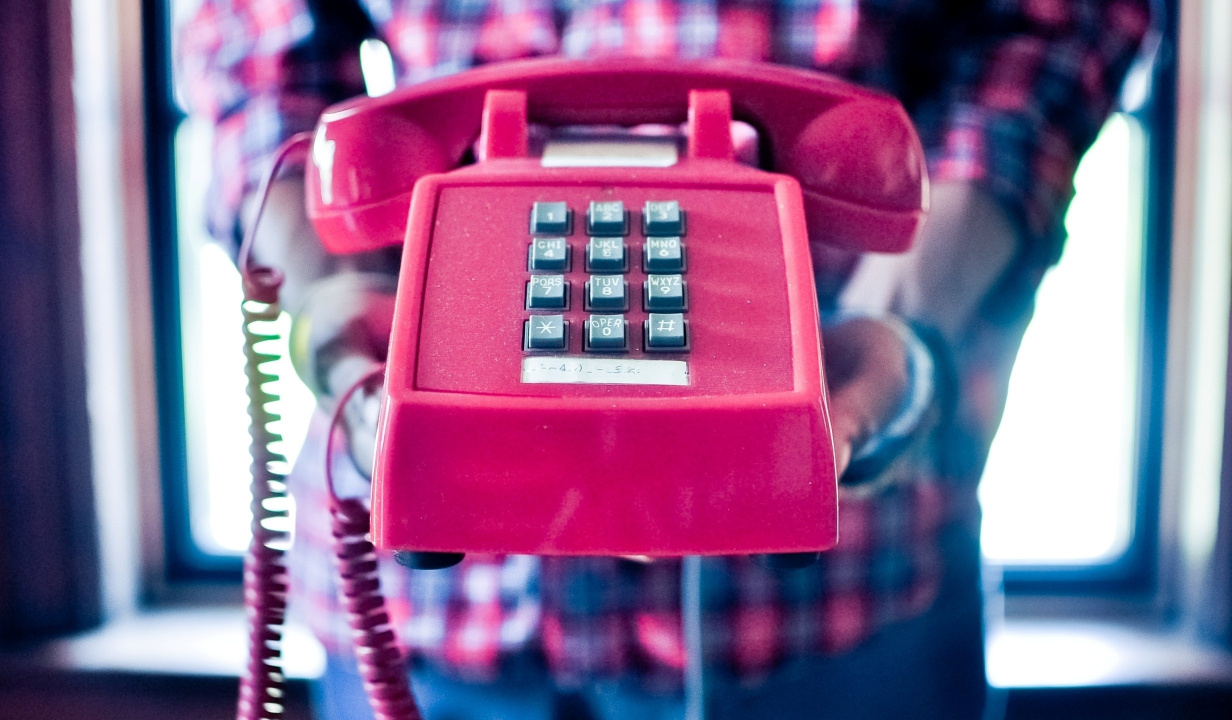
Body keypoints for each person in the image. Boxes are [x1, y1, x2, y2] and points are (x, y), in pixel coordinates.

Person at [178, 2, 1152, 718]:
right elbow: (253, 46)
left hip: (842, 607)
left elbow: (1051, 25)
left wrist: (905, 316)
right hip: (436, 620)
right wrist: (332, 296)